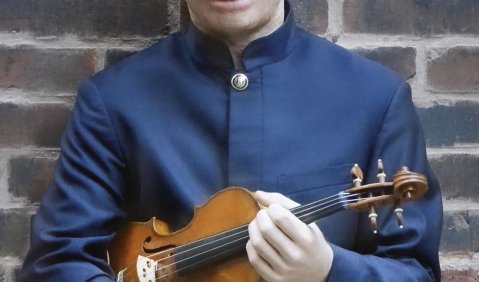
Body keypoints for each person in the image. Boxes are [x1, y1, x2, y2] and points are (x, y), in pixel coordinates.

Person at [20, 0, 443, 281]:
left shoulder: (375, 97)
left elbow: (416, 272)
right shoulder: (113, 101)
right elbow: (56, 264)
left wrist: (330, 270)